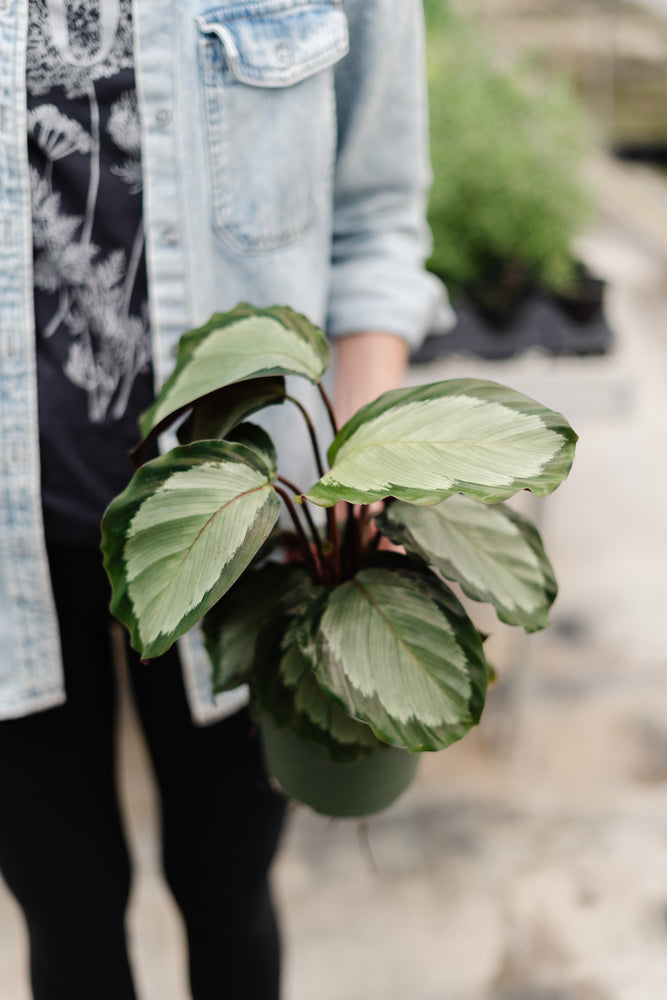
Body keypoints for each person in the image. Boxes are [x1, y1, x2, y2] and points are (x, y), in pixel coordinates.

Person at [0, 1, 440, 998]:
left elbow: (375, 219)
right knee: (65, 910)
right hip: (11, 543)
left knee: (228, 889)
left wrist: (365, 470)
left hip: (253, 530)